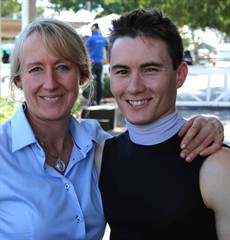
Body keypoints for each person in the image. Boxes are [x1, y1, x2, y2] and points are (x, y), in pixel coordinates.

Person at [0, 17, 225, 239]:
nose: (50, 83)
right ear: (19, 80)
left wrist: (208, 124)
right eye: (36, 69)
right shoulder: (5, 152)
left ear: (82, 75)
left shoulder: (97, 145)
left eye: (62, 67)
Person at [97, 9, 230, 240]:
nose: (134, 87)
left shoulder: (217, 166)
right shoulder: (101, 157)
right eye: (122, 71)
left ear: (179, 75)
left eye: (150, 69)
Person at [86, 23, 109, 105]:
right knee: (99, 82)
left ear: (92, 29)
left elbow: (85, 47)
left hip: (91, 62)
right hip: (100, 63)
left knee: (91, 82)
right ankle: (98, 101)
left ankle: (92, 101)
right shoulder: (103, 38)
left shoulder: (90, 38)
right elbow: (107, 44)